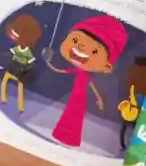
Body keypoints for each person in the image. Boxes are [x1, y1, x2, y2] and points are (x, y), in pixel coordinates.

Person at [45, 13, 127, 149]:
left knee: (75, 117)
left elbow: (91, 85)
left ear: (107, 67)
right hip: (74, 96)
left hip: (79, 98)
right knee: (69, 115)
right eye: (75, 40)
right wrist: (49, 63)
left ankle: (70, 138)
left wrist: (99, 99)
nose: (80, 47)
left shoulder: (85, 74)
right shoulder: (79, 71)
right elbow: (61, 70)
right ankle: (62, 135)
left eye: (94, 51)